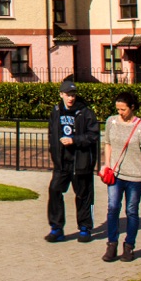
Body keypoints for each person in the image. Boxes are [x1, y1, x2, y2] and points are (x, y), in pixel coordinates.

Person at [46, 79, 100, 243]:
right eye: (68, 95)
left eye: (73, 95)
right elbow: (51, 133)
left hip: (80, 162)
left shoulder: (85, 112)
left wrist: (75, 140)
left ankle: (85, 228)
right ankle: (56, 228)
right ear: (61, 94)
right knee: (55, 191)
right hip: (62, 163)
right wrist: (54, 151)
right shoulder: (56, 111)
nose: (71, 98)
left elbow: (93, 135)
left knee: (84, 195)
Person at [101, 91, 141, 263]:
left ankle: (129, 246)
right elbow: (107, 143)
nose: (120, 112)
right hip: (115, 175)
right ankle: (111, 244)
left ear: (132, 108)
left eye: (123, 109)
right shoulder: (111, 122)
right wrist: (106, 165)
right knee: (113, 207)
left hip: (135, 176)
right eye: (118, 109)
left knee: (131, 211)